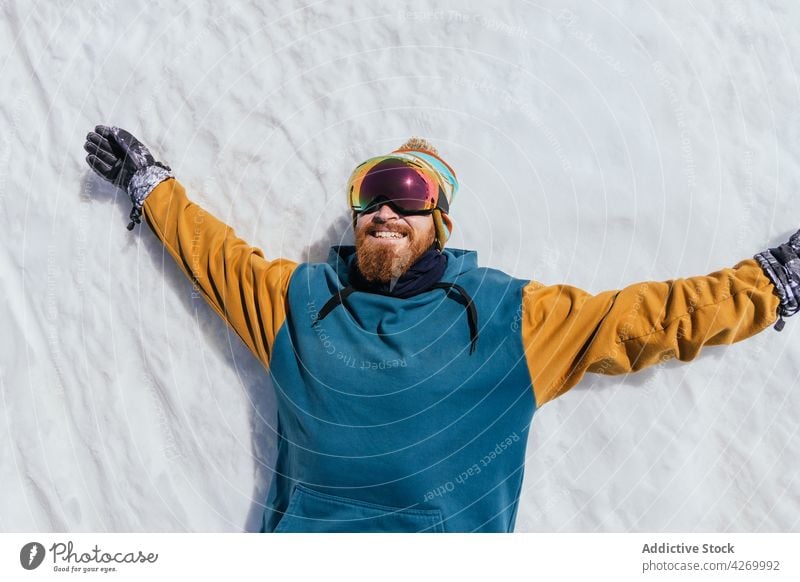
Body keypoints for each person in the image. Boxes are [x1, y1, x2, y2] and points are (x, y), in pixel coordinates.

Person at [83, 125, 798, 533]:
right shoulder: (298, 302)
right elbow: (217, 258)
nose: (385, 211)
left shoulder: (509, 318)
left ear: (440, 222)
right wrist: (153, 187)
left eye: (410, 196)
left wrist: (766, 285)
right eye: (370, 196)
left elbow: (650, 318)